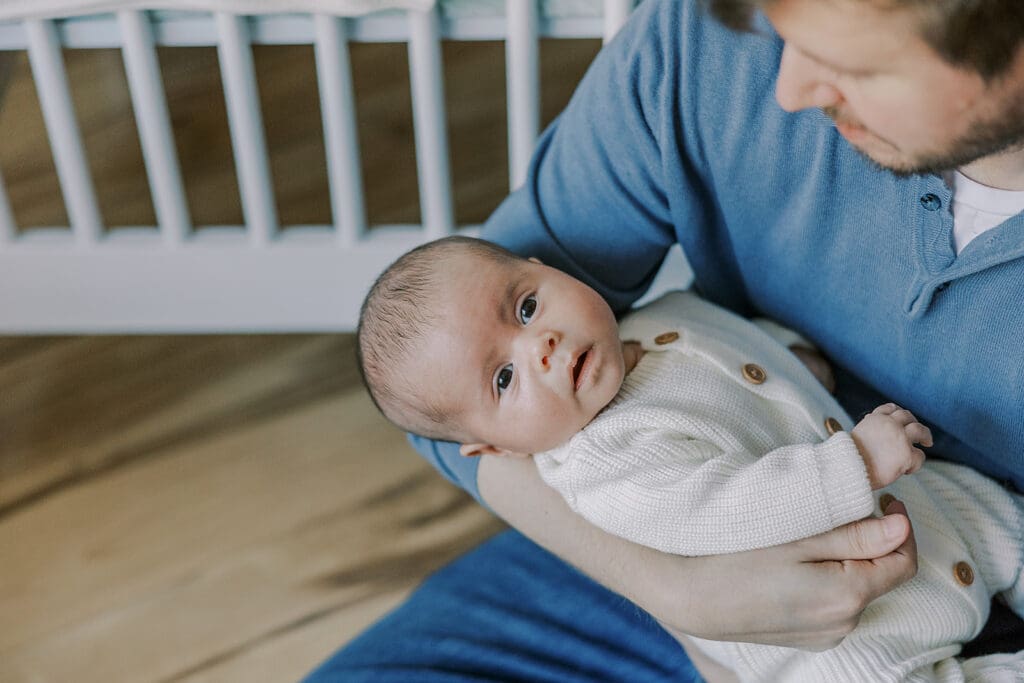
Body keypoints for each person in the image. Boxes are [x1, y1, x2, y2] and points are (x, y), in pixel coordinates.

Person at [303, 0, 1024, 680]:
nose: (790, 88)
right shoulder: (709, 37)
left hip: (947, 510)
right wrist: (675, 590)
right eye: (782, 23)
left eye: (858, 67)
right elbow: (435, 387)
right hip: (747, 610)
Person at [352, 234, 1023, 680]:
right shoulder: (602, 468)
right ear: (493, 447)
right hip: (843, 638)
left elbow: (738, 347)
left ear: (546, 269)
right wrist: (857, 464)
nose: (543, 346)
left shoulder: (663, 315)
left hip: (924, 514)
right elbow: (732, 508)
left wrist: (790, 353)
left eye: (527, 306)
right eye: (503, 379)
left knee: (1002, 524)